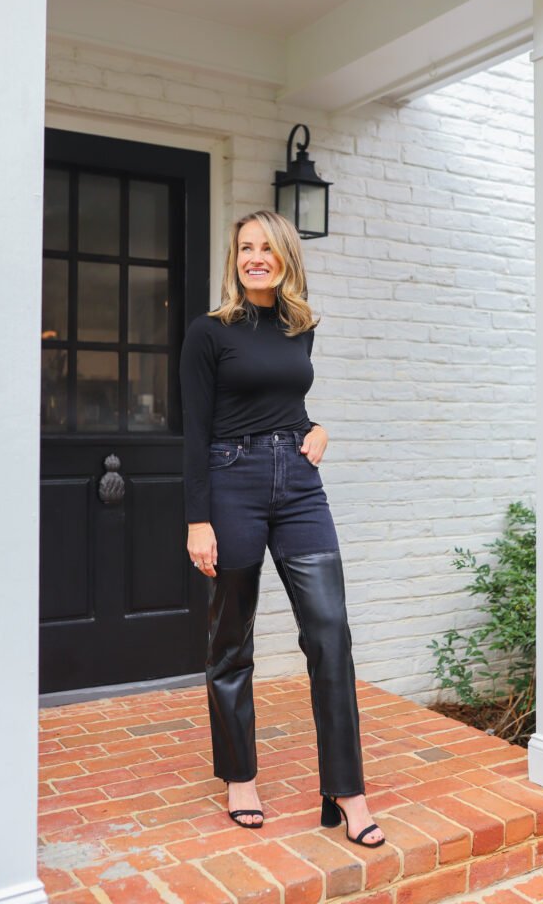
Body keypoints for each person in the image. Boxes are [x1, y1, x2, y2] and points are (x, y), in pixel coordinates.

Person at [179, 210, 385, 848]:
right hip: (232, 480)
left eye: (266, 248)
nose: (254, 257)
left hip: (298, 487)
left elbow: (284, 402)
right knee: (231, 638)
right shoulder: (208, 333)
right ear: (234, 259)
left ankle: (346, 789)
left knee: (330, 632)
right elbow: (196, 429)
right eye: (245, 248)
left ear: (285, 256)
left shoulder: (301, 328)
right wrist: (197, 518)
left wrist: (316, 428)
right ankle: (240, 776)